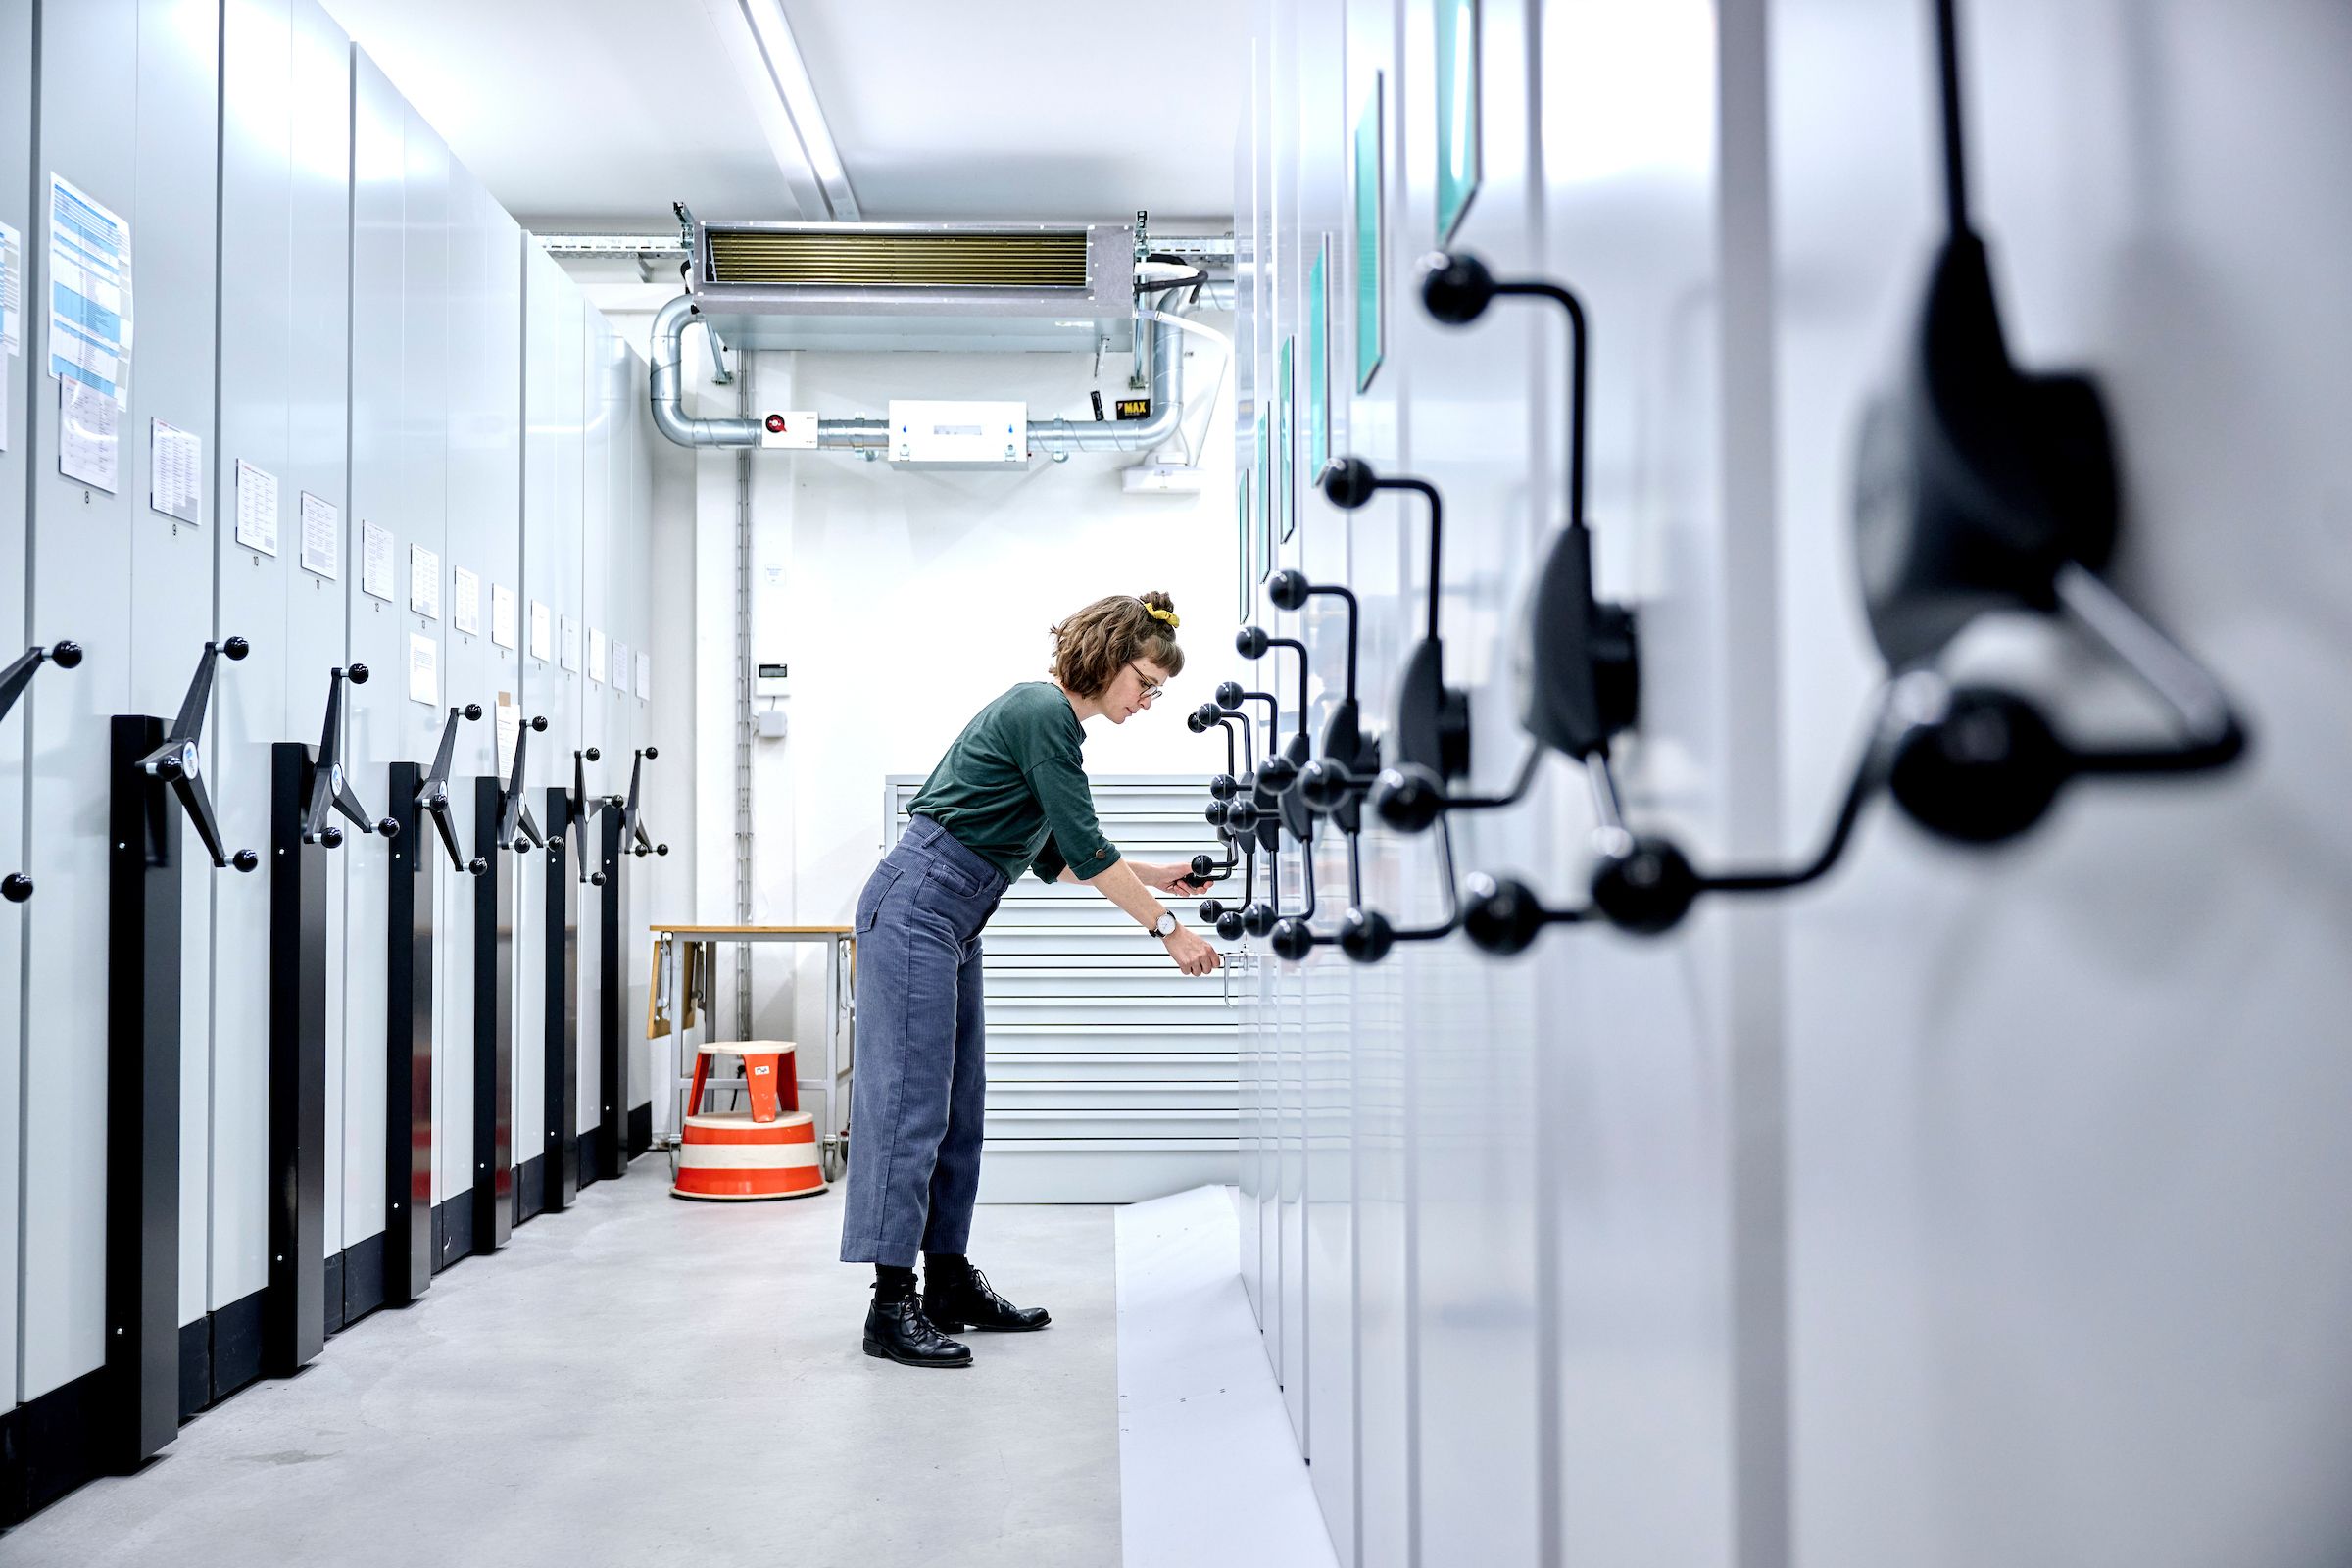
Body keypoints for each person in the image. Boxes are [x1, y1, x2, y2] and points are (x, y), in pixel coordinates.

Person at [840, 590, 1224, 1368]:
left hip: (952, 914)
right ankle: (890, 1304)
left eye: (1156, 691)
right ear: (1112, 659)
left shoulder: (1052, 725)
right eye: (1145, 683)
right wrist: (1168, 928)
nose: (1148, 701)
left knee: (958, 1106)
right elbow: (1084, 848)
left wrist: (1161, 879)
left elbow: (1055, 855)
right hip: (918, 904)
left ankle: (946, 1279)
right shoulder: (1042, 711)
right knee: (911, 1107)